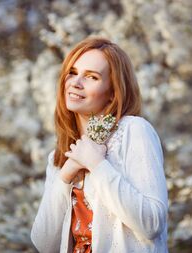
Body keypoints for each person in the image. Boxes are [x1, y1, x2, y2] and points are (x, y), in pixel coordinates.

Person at [30, 37, 169, 253]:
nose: (76, 83)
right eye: (73, 73)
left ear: (113, 91)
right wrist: (66, 174)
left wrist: (97, 163)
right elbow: (44, 244)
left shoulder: (134, 131)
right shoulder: (61, 154)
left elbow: (151, 224)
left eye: (91, 77)